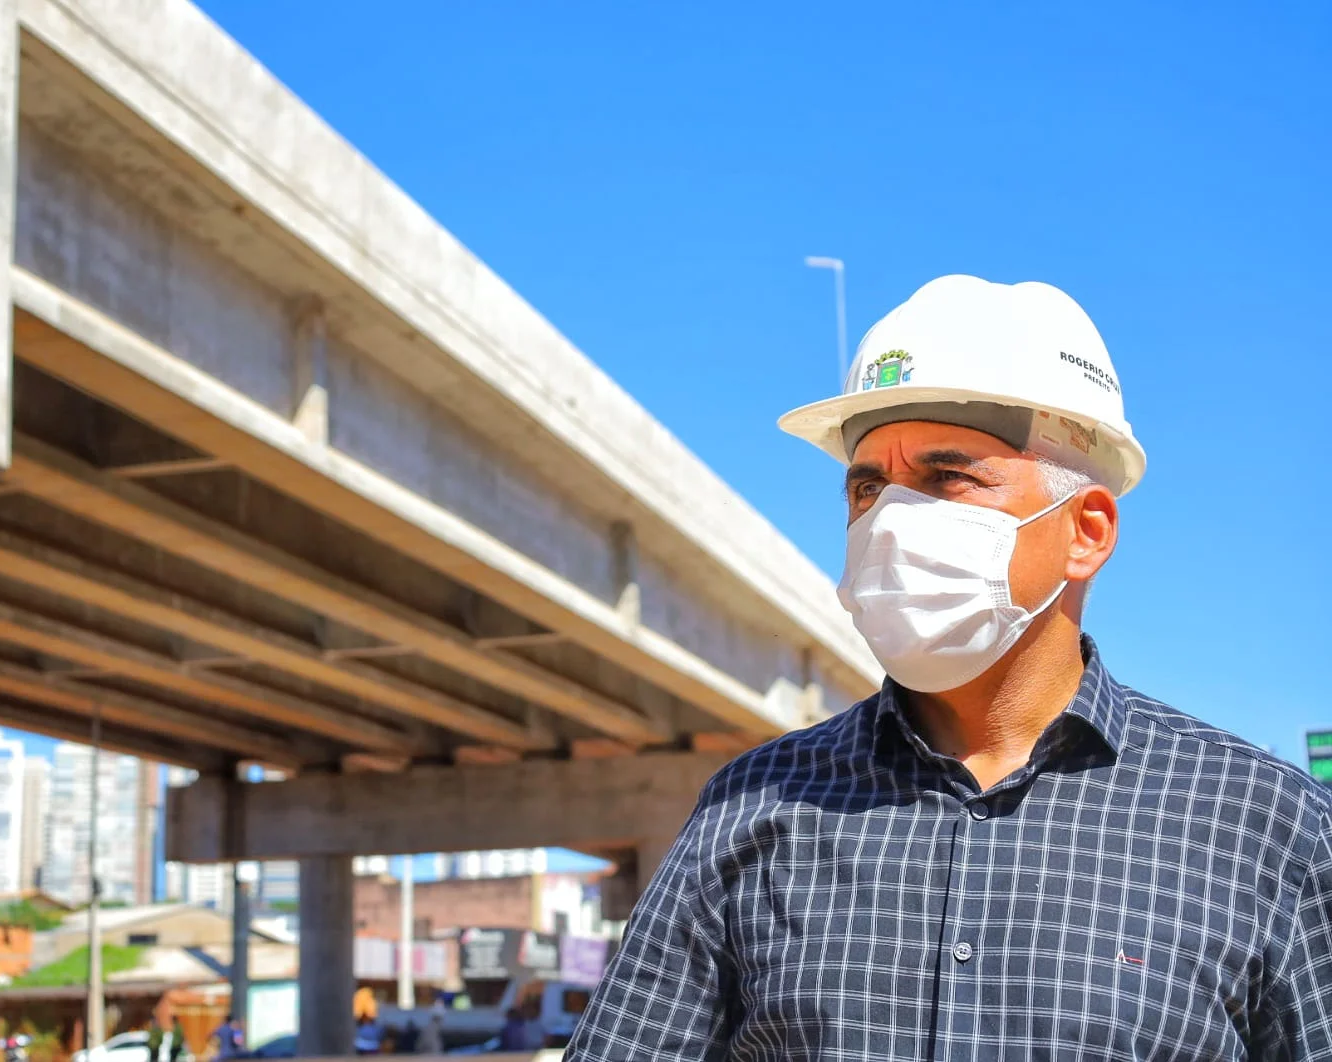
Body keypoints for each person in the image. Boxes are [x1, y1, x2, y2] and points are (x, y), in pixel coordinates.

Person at [564, 274, 1332, 1060]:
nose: (891, 522)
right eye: (868, 487)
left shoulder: (1262, 825)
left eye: (947, 478)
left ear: (1087, 531)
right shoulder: (751, 810)